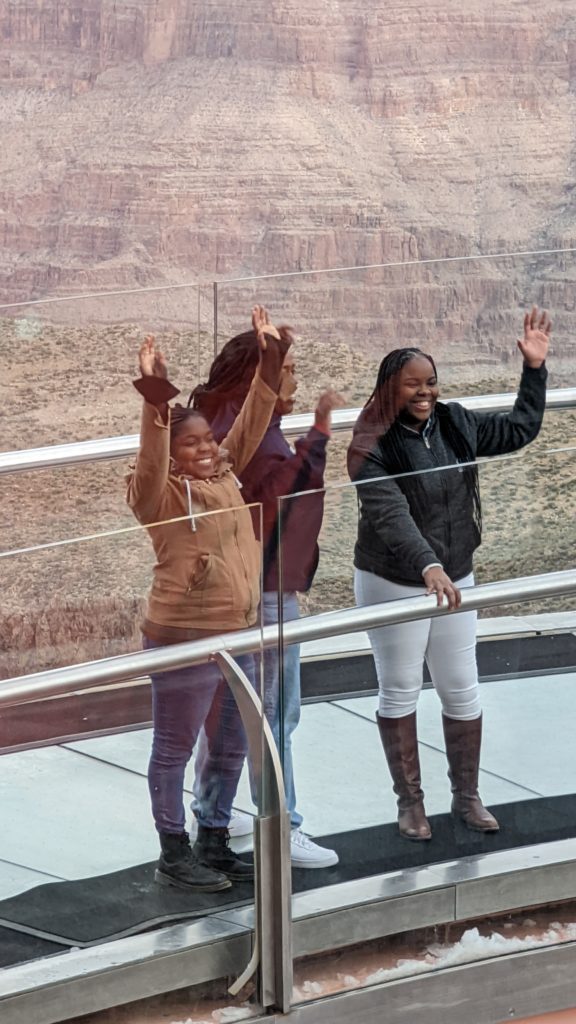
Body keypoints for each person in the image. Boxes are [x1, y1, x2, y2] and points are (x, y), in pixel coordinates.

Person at [347, 306, 551, 841]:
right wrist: (427, 564)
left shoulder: (456, 422)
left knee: (462, 689)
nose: (424, 392)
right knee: (400, 688)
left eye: (430, 382)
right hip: (394, 579)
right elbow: (389, 513)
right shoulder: (370, 443)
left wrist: (534, 369)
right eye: (412, 384)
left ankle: (467, 797)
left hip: (456, 576)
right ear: (389, 388)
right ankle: (410, 803)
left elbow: (519, 430)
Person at [126, 306, 291, 890]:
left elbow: (250, 420)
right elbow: (150, 457)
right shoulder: (158, 495)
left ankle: (213, 841)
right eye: (189, 443)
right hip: (185, 636)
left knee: (233, 741)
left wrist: (271, 358)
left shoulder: (225, 474)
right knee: (172, 748)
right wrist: (154, 399)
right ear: (172, 453)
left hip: (239, 630)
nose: (205, 448)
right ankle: (173, 854)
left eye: (206, 439)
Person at [189, 329, 344, 867]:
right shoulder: (246, 430)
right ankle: (282, 826)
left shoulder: (226, 420)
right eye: (288, 368)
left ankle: (216, 807)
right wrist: (317, 440)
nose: (295, 379)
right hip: (266, 589)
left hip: (248, 585)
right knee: (274, 715)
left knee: (232, 710)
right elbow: (272, 505)